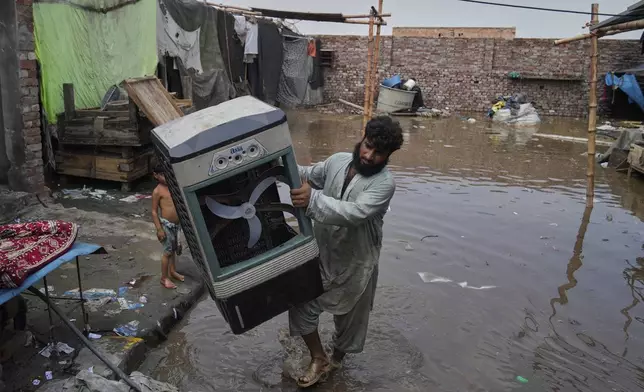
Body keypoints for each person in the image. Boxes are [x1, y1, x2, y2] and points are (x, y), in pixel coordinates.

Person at [288, 115, 404, 388]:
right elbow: (307, 174)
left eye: (378, 153)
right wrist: (278, 163)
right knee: (300, 305)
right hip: (321, 253)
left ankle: (337, 358)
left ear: (388, 156)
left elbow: (355, 213)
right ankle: (319, 358)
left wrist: (312, 199)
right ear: (362, 138)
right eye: (367, 145)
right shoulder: (338, 161)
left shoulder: (384, 184)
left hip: (357, 263)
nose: (368, 155)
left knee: (349, 323)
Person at [151, 164, 185, 289]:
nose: (167, 178)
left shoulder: (173, 187)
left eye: (168, 175)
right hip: (166, 225)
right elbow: (154, 211)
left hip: (176, 225)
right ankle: (163, 278)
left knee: (173, 249)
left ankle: (172, 271)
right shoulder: (157, 191)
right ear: (156, 175)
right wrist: (159, 229)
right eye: (163, 175)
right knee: (167, 252)